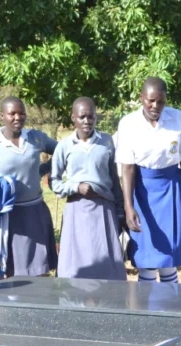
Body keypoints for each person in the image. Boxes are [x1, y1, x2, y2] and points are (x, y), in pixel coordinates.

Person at [116, 77, 181, 284]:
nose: (156, 106)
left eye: (161, 102)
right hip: (142, 193)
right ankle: (146, 303)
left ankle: (171, 301)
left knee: (169, 256)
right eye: (151, 101)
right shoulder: (128, 123)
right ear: (141, 98)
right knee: (148, 258)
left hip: (171, 190)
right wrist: (128, 207)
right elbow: (127, 169)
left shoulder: (177, 118)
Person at [0, 97, 58, 278]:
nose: (17, 117)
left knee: (38, 271)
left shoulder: (36, 138)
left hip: (34, 212)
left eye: (21, 113)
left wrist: (42, 170)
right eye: (12, 113)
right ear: (2, 116)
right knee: (6, 271)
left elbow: (61, 152)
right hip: (6, 217)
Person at [49, 96, 125, 281]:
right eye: (82, 117)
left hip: (104, 209)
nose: (87, 121)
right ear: (73, 117)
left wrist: (121, 211)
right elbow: (54, 181)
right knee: (76, 261)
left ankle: (108, 297)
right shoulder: (65, 146)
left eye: (91, 116)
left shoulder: (106, 141)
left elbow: (114, 178)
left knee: (106, 260)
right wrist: (76, 187)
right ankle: (77, 296)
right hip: (77, 209)